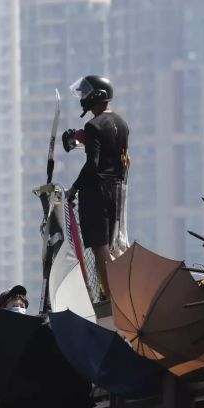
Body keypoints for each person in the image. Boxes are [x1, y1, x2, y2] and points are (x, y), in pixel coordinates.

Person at [62, 74, 130, 300]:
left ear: (97, 96)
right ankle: (121, 287)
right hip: (118, 190)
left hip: (97, 192)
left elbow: (93, 165)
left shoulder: (93, 126)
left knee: (99, 246)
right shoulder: (122, 124)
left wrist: (74, 189)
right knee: (112, 245)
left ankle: (110, 294)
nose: (83, 98)